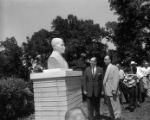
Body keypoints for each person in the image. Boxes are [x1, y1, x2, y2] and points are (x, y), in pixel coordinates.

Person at [103, 55, 121, 120]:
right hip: (107, 91)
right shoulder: (107, 67)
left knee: (116, 108)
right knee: (110, 108)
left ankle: (117, 118)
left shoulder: (114, 67)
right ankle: (112, 118)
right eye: (104, 59)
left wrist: (114, 90)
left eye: (106, 59)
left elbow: (116, 79)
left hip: (113, 91)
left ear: (110, 60)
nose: (104, 60)